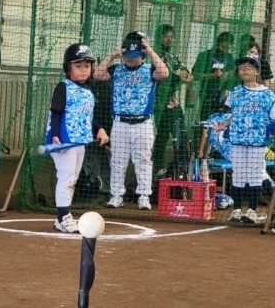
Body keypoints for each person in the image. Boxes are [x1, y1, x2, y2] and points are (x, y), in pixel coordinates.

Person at [93, 31, 168, 210]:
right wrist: (112, 56)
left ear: (142, 55)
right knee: (118, 160)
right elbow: (97, 75)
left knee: (143, 160)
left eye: (135, 55)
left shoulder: (149, 69)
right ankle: (116, 195)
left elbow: (164, 73)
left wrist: (150, 51)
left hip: (143, 123)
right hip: (120, 123)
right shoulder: (117, 69)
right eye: (128, 55)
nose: (130, 59)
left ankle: (144, 196)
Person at [43, 44, 109, 232]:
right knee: (66, 178)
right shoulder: (63, 87)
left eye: (87, 66)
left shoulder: (87, 92)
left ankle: (63, 216)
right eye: (78, 66)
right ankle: (63, 217)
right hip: (64, 141)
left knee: (72, 179)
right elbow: (56, 112)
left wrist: (99, 129)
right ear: (68, 68)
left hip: (80, 141)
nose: (83, 70)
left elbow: (86, 117)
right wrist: (56, 136)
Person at [217, 54, 275, 225]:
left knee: (255, 174)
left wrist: (268, 133)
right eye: (241, 67)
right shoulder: (235, 92)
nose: (244, 70)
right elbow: (234, 113)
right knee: (238, 174)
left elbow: (273, 118)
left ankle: (251, 211)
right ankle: (236, 210)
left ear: (257, 72)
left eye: (249, 67)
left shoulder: (268, 95)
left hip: (257, 141)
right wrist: (225, 124)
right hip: (237, 138)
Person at [151, 24, 193, 177]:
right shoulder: (155, 55)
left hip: (172, 102)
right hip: (158, 103)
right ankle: (157, 170)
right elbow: (168, 76)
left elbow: (185, 73)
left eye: (171, 36)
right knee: (161, 137)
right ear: (159, 38)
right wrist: (179, 76)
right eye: (165, 36)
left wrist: (182, 75)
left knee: (182, 135)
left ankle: (181, 169)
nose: (169, 39)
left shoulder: (173, 56)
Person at [192, 31, 234, 121]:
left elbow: (231, 74)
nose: (224, 51)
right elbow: (195, 75)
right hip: (207, 95)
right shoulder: (205, 55)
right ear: (217, 43)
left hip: (224, 95)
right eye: (223, 47)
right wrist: (211, 75)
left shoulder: (229, 57)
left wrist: (228, 75)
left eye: (227, 48)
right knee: (207, 120)